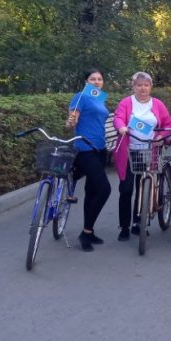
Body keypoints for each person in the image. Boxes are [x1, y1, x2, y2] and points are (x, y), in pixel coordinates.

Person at [113, 72, 171, 241]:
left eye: (146, 85)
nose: (142, 88)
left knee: (143, 188)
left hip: (150, 151)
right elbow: (118, 117)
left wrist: (162, 136)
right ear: (134, 87)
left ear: (150, 87)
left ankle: (139, 223)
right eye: (139, 85)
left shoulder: (158, 104)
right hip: (129, 152)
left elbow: (168, 124)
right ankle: (124, 226)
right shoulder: (126, 102)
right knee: (126, 189)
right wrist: (121, 127)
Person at [66, 68, 112, 251]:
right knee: (104, 189)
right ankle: (85, 233)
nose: (97, 82)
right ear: (86, 82)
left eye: (100, 79)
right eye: (93, 79)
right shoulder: (80, 96)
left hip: (100, 149)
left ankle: (89, 231)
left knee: (92, 191)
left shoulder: (100, 99)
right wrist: (71, 122)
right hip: (85, 149)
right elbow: (71, 121)